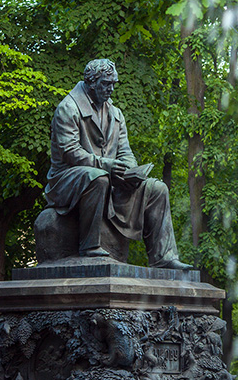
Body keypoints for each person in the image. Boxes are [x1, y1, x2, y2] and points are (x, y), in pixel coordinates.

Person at [45, 59, 191, 270]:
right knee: (98, 177)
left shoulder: (116, 114)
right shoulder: (68, 108)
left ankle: (163, 257)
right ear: (91, 82)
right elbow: (70, 152)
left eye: (113, 83)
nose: (111, 89)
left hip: (109, 176)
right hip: (68, 180)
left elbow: (125, 151)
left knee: (157, 188)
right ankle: (89, 246)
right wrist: (107, 166)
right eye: (106, 83)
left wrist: (130, 171)